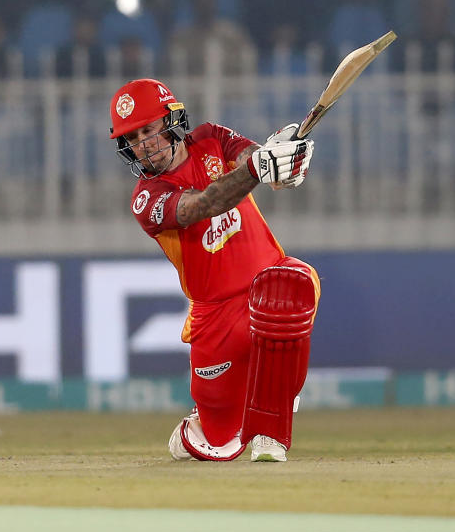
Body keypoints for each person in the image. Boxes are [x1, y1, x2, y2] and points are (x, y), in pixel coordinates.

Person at [109, 78, 319, 462]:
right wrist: (259, 169)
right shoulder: (146, 199)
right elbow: (205, 204)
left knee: (292, 283)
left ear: (171, 121)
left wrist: (282, 166)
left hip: (265, 278)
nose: (143, 144)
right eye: (133, 138)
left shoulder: (211, 138)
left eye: (148, 130)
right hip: (215, 317)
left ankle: (272, 431)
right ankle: (198, 426)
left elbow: (250, 158)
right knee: (220, 443)